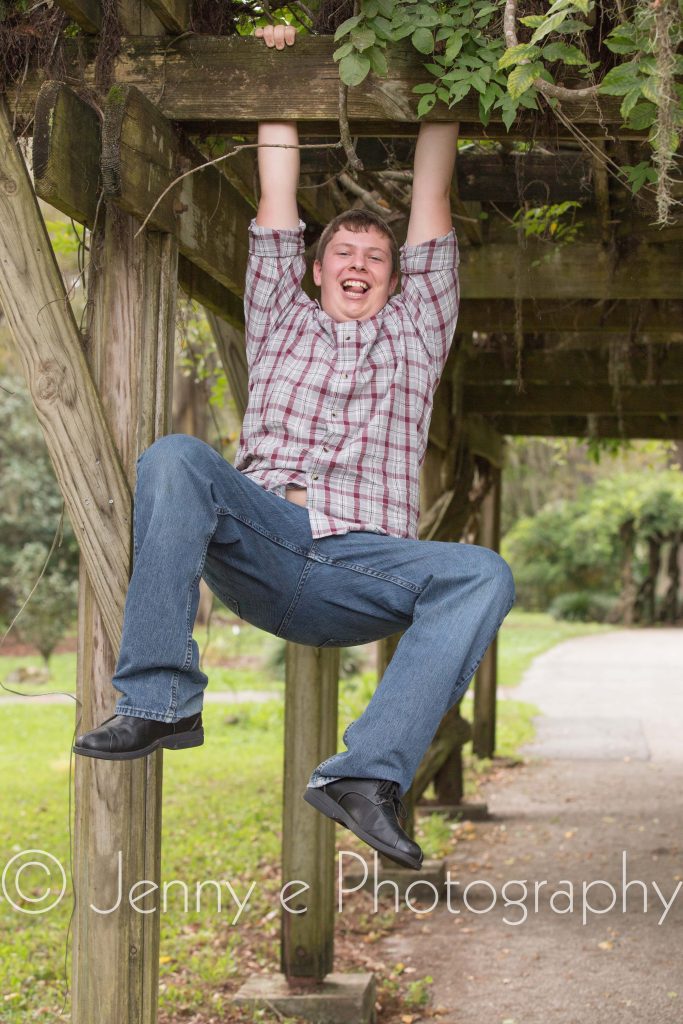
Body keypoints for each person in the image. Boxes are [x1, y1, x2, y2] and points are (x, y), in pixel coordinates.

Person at [74, 24, 515, 871]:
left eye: (375, 257)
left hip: (361, 568)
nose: (358, 262)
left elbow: (433, 190)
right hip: (263, 542)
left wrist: (460, 46)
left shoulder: (419, 330)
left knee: (483, 574)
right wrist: (274, 66)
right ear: (314, 270)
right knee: (175, 456)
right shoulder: (279, 315)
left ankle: (364, 777)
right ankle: (163, 697)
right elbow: (275, 189)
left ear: (398, 276)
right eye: (342, 252)